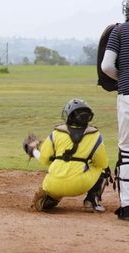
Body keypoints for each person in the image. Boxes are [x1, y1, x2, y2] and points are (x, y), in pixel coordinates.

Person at [24, 99, 111, 212]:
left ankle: (50, 199)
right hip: (80, 185)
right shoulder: (95, 135)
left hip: (52, 184)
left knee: (58, 167)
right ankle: (91, 201)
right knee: (103, 169)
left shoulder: (56, 133)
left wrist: (33, 150)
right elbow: (102, 163)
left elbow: (44, 160)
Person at [101, 0, 129, 220]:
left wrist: (122, 78)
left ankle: (127, 205)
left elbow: (106, 66)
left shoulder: (119, 30)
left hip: (127, 96)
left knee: (127, 150)